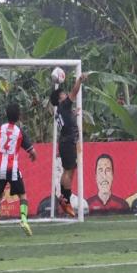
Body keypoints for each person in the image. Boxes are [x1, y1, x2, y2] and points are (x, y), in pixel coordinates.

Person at [0, 104, 37, 239]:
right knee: (22, 194)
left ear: (6, 115)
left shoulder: (0, 128)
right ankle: (24, 220)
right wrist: (33, 156)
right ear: (19, 117)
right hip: (12, 168)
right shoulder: (19, 132)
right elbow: (32, 151)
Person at [49, 73, 88, 217]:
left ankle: (65, 199)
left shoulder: (61, 110)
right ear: (60, 98)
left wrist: (73, 114)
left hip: (67, 142)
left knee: (70, 171)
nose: (66, 94)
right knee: (68, 171)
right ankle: (65, 200)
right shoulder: (63, 105)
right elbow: (74, 92)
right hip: (68, 142)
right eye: (63, 94)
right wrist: (79, 80)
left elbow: (66, 118)